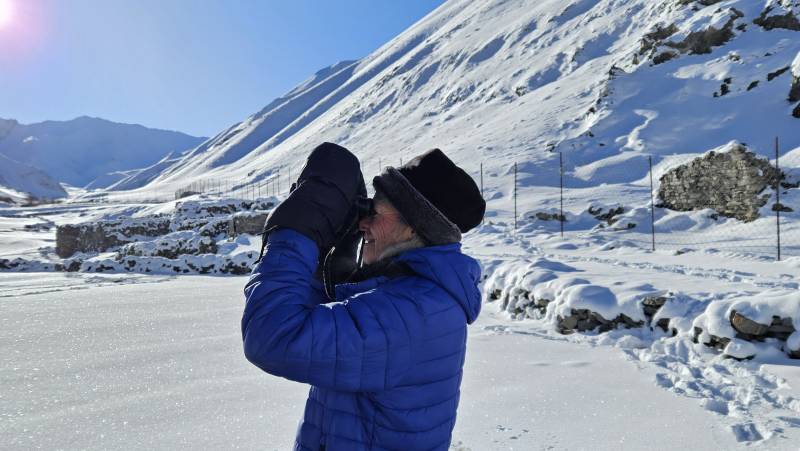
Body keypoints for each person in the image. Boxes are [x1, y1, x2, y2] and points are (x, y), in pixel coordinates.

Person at [242, 142, 485, 451]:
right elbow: (312, 321)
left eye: (376, 213)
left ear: (413, 229)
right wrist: (326, 261)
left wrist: (297, 230)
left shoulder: (408, 313)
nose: (363, 223)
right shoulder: (416, 296)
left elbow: (273, 337)